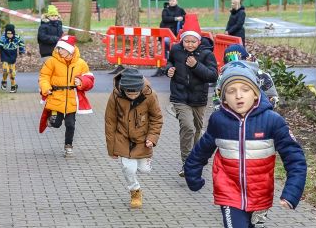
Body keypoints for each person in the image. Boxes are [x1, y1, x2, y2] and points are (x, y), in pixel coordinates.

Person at [184, 62, 306, 228]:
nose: (238, 96)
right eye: (231, 91)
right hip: (229, 193)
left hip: (260, 197)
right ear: (223, 96)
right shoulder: (219, 121)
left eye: (244, 89)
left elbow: (295, 158)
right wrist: (193, 175)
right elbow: (202, 150)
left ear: (256, 93)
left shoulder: (272, 121)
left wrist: (292, 192)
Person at [105, 67, 164, 209]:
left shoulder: (150, 95)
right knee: (128, 168)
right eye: (129, 93)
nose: (132, 96)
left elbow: (157, 118)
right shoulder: (115, 96)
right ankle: (135, 191)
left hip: (143, 139)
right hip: (123, 138)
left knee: (144, 170)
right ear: (123, 89)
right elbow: (110, 122)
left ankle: (147, 160)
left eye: (135, 93)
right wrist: (111, 149)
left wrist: (152, 138)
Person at [167, 29, 219, 176]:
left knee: (196, 129)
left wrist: (196, 65)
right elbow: (170, 62)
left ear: (199, 42)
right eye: (187, 41)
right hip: (179, 96)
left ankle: (195, 159)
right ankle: (187, 162)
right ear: (182, 41)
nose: (190, 44)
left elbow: (213, 76)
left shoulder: (207, 54)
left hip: (198, 98)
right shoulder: (176, 50)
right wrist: (168, 69)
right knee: (188, 127)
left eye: (193, 42)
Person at [39, 35, 95, 157]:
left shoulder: (81, 63)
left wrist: (82, 81)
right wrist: (45, 87)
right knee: (56, 123)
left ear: (70, 49)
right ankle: (50, 121)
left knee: (70, 124)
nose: (59, 51)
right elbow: (44, 76)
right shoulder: (51, 61)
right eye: (58, 48)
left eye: (62, 48)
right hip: (56, 96)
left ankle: (68, 146)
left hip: (72, 98)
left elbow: (89, 78)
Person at [212, 43, 280, 109]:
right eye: (230, 61)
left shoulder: (261, 75)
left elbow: (272, 98)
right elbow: (217, 102)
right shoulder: (222, 77)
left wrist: (257, 110)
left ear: (247, 59)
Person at [156, 0, 187, 76]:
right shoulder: (165, 10)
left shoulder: (180, 10)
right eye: (170, 0)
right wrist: (176, 19)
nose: (171, 2)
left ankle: (175, 65)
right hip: (167, 34)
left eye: (173, 1)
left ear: (176, 1)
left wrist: (182, 18)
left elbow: (186, 17)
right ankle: (166, 64)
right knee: (166, 43)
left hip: (177, 35)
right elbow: (165, 18)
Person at [0, 23, 26, 93]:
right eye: (8, 34)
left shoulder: (17, 38)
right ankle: (4, 81)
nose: (9, 35)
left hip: (13, 56)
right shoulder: (3, 38)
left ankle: (13, 85)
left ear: (13, 33)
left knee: (12, 72)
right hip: (5, 55)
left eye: (11, 34)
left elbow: (21, 43)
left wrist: (21, 51)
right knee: (6, 70)